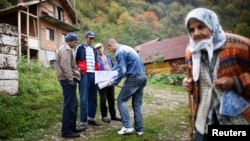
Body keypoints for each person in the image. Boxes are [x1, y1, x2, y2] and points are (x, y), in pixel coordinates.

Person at [182, 8, 250, 141]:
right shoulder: (191, 52)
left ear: (212, 25)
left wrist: (236, 82)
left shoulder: (238, 45)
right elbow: (197, 82)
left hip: (237, 121)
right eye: (192, 30)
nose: (196, 33)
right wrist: (188, 84)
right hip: (204, 122)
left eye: (201, 27)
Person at [105, 39, 147, 136]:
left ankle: (127, 127)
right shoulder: (127, 48)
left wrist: (114, 81)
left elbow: (123, 70)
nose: (110, 50)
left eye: (109, 48)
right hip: (143, 76)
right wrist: (110, 71)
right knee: (137, 104)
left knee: (121, 100)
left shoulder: (119, 52)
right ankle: (139, 130)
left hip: (134, 78)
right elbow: (119, 66)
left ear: (111, 45)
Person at [56, 32, 86, 138]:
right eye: (74, 41)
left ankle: (72, 127)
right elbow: (65, 67)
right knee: (69, 106)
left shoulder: (68, 49)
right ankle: (66, 131)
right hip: (67, 81)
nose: (75, 42)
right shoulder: (66, 50)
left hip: (69, 80)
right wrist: (71, 80)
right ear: (69, 41)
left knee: (73, 105)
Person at [75, 31, 101, 128]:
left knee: (93, 97)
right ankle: (83, 121)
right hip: (84, 74)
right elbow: (74, 60)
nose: (91, 40)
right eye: (90, 38)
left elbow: (96, 61)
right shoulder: (80, 48)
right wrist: (77, 70)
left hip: (93, 74)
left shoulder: (94, 50)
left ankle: (91, 118)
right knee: (84, 98)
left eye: (93, 38)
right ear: (86, 38)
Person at [94, 43, 121, 123]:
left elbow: (113, 67)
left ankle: (113, 115)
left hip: (110, 80)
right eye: (97, 48)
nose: (99, 49)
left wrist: (114, 77)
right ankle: (104, 116)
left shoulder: (108, 57)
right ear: (96, 50)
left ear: (103, 48)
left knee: (111, 98)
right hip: (102, 81)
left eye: (100, 47)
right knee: (103, 99)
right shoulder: (96, 59)